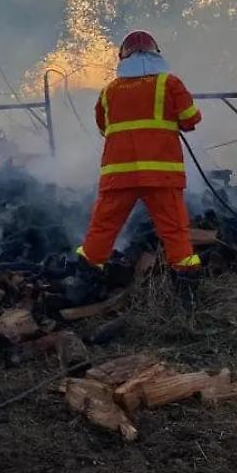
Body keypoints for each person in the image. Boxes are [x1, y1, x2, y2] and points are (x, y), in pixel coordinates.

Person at [75, 30, 203, 307]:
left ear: (123, 58)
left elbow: (103, 127)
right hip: (161, 174)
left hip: (119, 175)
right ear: (156, 54)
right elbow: (192, 119)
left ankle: (83, 286)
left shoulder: (109, 91)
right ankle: (186, 297)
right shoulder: (169, 83)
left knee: (102, 228)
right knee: (174, 231)